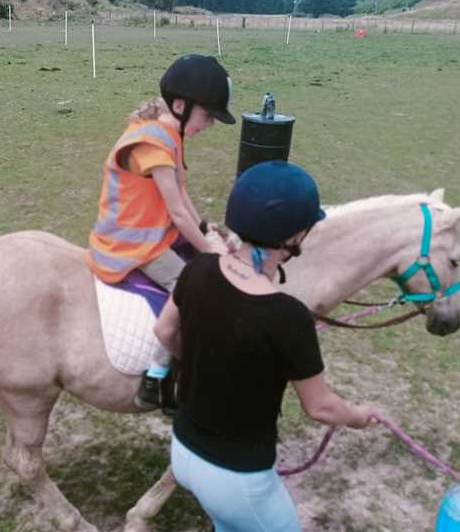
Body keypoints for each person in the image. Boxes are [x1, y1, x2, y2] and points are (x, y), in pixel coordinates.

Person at [154, 161, 377, 531]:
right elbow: (319, 407)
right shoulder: (287, 317)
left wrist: (204, 365)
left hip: (182, 451)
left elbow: (164, 332)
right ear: (295, 236)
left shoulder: (198, 268)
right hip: (237, 479)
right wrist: (359, 416)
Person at [85, 54, 234, 409]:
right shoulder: (151, 143)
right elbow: (177, 212)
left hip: (152, 234)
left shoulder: (169, 134)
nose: (209, 124)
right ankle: (158, 377)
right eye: (207, 115)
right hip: (133, 244)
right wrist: (210, 249)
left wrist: (204, 229)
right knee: (193, 292)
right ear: (181, 105)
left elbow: (182, 195)